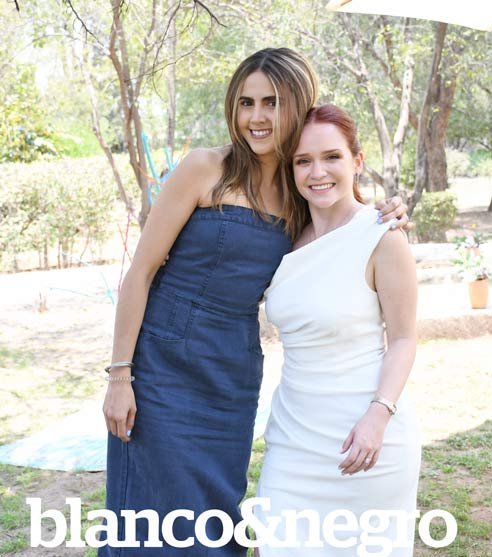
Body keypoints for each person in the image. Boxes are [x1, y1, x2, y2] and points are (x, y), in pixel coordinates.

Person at [101, 49, 409, 556]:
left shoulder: (300, 191)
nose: (257, 117)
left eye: (272, 102)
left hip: (232, 372)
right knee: (153, 517)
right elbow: (141, 273)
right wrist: (119, 376)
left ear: (297, 106)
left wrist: (389, 211)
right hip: (163, 366)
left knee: (216, 516)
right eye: (247, 102)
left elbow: (343, 224)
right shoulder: (205, 168)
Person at [255, 104, 421, 556]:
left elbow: (403, 338)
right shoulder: (283, 239)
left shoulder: (383, 235)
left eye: (332, 157)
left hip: (367, 438)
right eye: (303, 161)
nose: (318, 172)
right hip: (293, 441)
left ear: (357, 161)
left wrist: (378, 415)